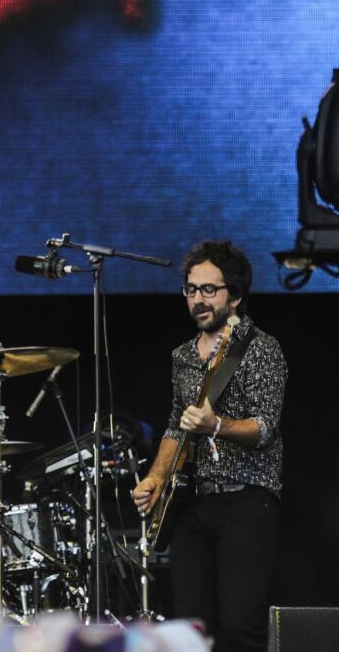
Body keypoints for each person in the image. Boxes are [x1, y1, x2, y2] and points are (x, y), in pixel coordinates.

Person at [131, 240, 287, 652]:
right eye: (191, 290)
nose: (197, 299)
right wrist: (155, 479)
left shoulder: (260, 348)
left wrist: (216, 424)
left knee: (240, 626)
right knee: (190, 630)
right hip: (191, 504)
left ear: (234, 297)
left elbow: (265, 427)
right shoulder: (182, 356)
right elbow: (175, 427)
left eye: (209, 290)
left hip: (246, 501)